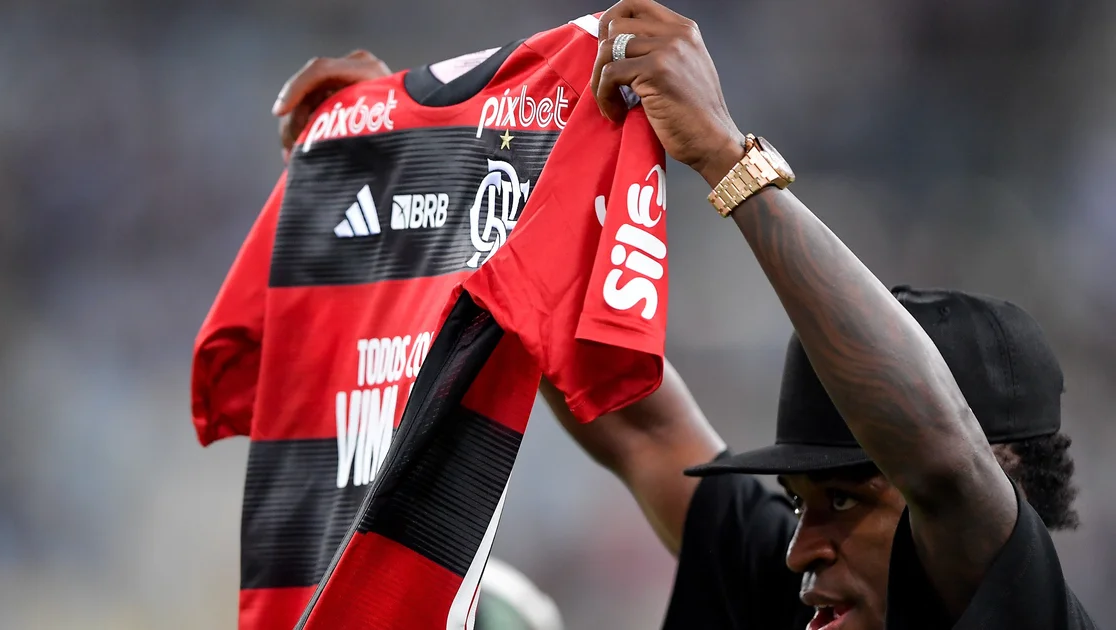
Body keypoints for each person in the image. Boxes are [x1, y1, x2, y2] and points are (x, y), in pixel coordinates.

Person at [268, 1, 1096, 627]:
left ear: (996, 490)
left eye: (846, 500)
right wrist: (429, 153)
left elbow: (941, 465)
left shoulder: (1030, 614)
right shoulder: (801, 599)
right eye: (800, 502)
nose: (799, 549)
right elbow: (637, 423)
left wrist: (728, 159)